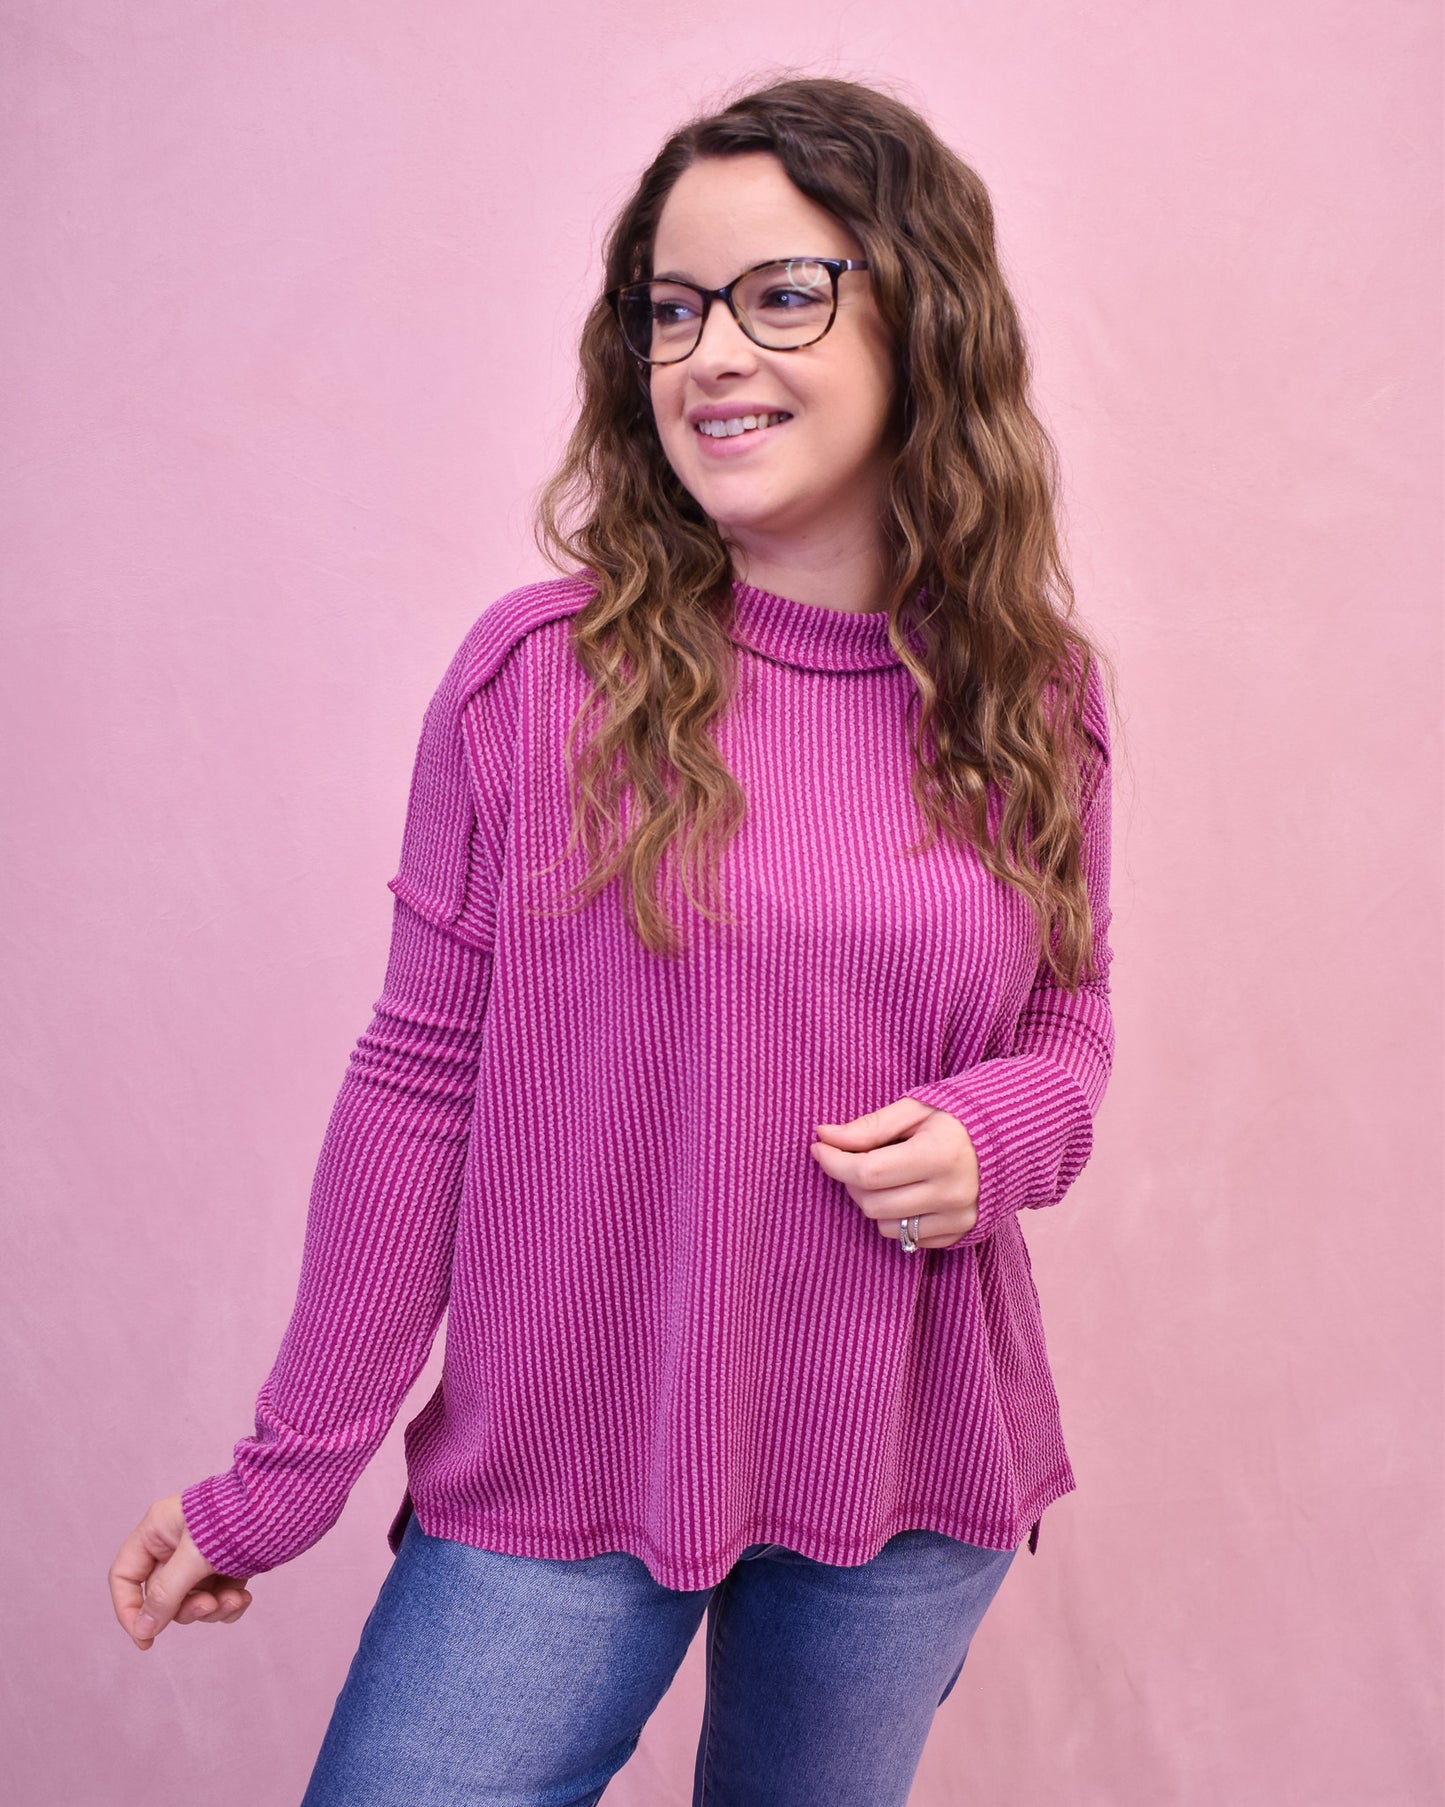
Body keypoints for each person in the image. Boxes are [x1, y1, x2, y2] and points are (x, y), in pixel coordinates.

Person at [109, 73, 1116, 1806]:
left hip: (904, 1454)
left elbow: (1070, 1033)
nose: (709, 354)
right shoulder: (539, 677)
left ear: (925, 318)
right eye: (670, 309)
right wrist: (285, 1478)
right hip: (567, 1454)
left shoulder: (1030, 696)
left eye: (780, 293)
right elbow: (418, 1091)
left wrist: (994, 1136)